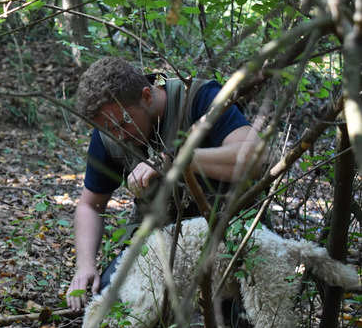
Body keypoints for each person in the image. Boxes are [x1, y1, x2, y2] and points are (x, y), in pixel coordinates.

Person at [66, 57, 262, 311]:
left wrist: (179, 160)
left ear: (147, 96)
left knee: (232, 315)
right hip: (160, 248)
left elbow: (255, 158)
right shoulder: (110, 129)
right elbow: (90, 205)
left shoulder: (198, 98)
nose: (118, 135)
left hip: (227, 243)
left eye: (123, 123)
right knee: (108, 304)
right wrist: (85, 266)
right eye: (108, 129)